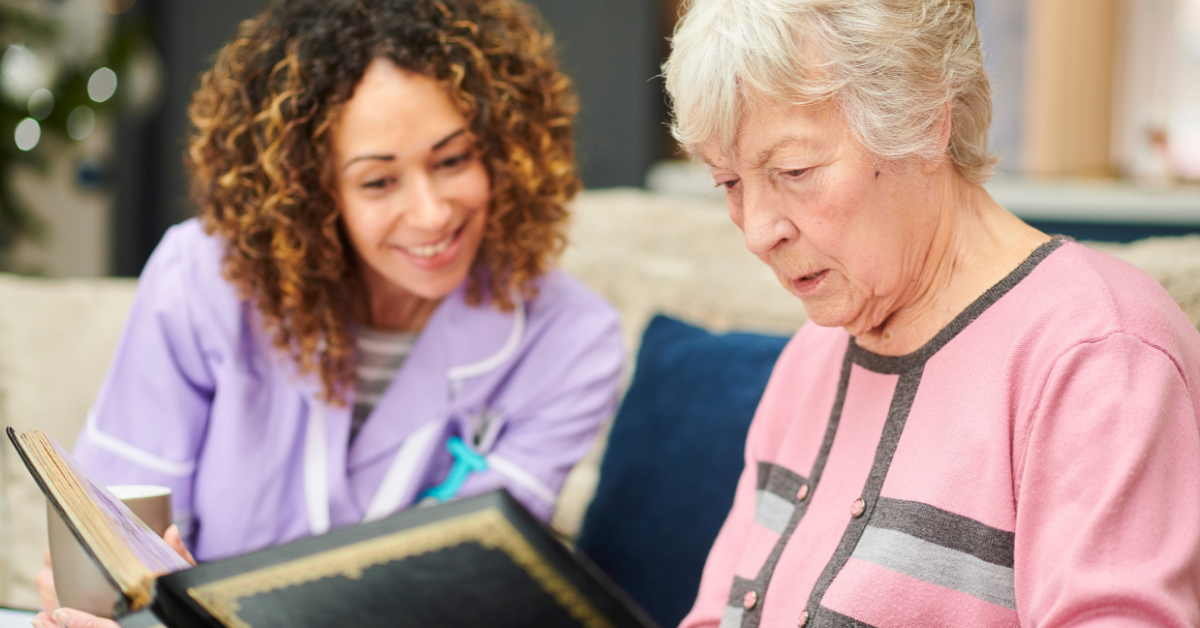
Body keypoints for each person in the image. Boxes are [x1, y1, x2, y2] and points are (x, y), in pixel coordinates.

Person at [33, 0, 622, 625]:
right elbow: (110, 535)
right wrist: (96, 597)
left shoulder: (573, 343)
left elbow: (456, 593)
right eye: (378, 182)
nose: (430, 214)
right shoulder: (199, 280)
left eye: (453, 160)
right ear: (310, 190)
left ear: (505, 152)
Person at [662, 0, 1200, 626]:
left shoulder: (1099, 351)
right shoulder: (812, 356)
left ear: (923, 121)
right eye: (729, 183)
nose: (756, 231)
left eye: (794, 170)